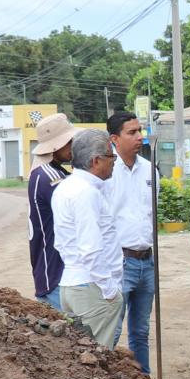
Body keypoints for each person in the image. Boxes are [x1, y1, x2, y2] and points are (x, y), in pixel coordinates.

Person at [54, 129, 124, 346]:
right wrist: (109, 290)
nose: (114, 162)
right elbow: (90, 248)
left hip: (74, 284)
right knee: (98, 360)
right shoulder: (86, 192)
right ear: (96, 160)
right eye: (111, 157)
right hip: (91, 287)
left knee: (84, 358)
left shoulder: (66, 187)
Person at [108, 109, 158, 373]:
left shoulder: (149, 171)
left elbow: (152, 214)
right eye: (132, 132)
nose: (140, 137)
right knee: (112, 329)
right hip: (119, 262)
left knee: (141, 331)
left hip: (147, 261)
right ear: (115, 139)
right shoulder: (105, 171)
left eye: (140, 131)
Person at [26, 113, 76, 310]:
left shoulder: (53, 173)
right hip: (55, 274)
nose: (73, 145)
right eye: (68, 141)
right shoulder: (49, 176)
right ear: (56, 146)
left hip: (57, 273)